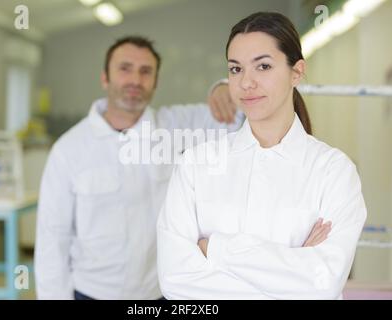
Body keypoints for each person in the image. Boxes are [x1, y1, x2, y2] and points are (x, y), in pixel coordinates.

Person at [157, 12, 367, 300]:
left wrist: (215, 250)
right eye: (235, 69)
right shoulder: (195, 165)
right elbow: (174, 280)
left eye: (263, 66)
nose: (246, 83)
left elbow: (323, 283)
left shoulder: (334, 171)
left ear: (297, 71)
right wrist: (294, 268)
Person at [34, 35, 244, 300]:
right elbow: (52, 239)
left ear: (155, 82)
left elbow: (239, 117)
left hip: (158, 293)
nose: (135, 80)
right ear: (105, 78)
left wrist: (225, 87)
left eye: (146, 72)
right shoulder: (69, 150)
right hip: (90, 293)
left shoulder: (175, 127)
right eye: (125, 69)